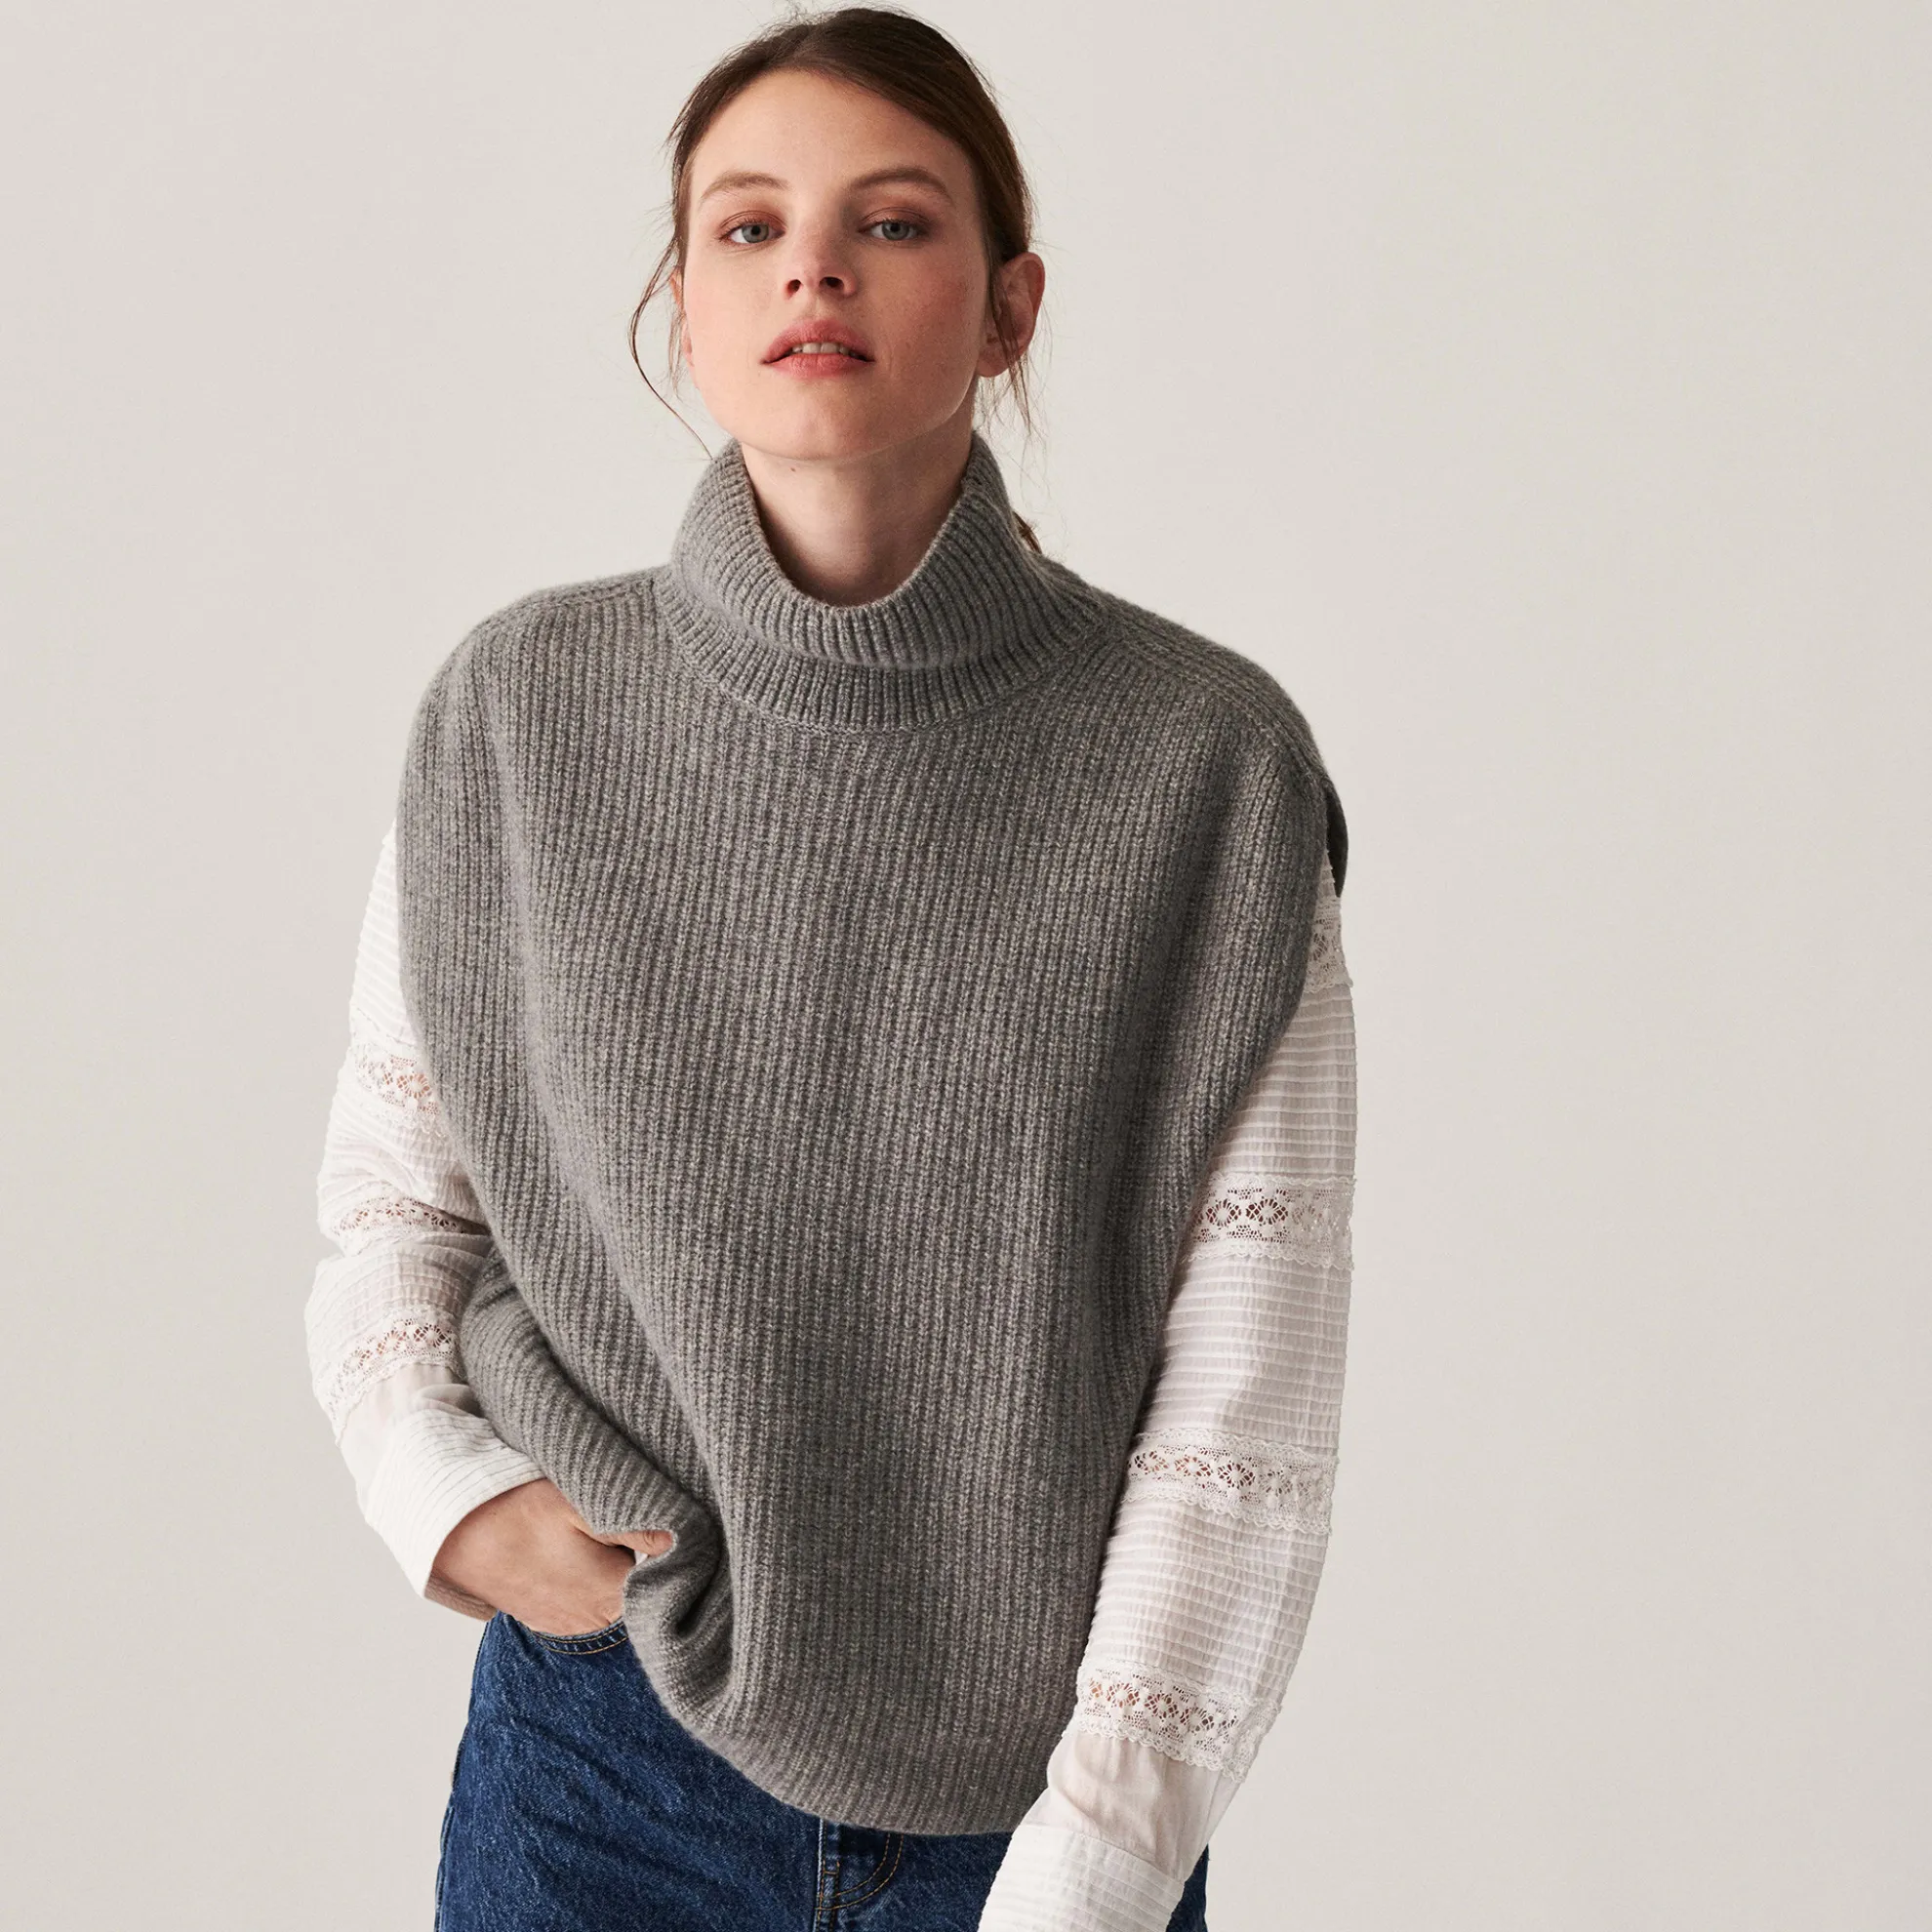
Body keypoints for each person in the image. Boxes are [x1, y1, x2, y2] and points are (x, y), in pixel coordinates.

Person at [303, 10, 1356, 1930]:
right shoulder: (518, 718)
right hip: (600, 1765)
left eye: (891, 221)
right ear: (682, 308)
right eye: (748, 226)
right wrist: (436, 1490)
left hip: (1043, 1801)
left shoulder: (1204, 767)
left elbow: (1243, 1408)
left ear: (1011, 305)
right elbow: (396, 1201)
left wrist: (1096, 1865)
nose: (813, 268)